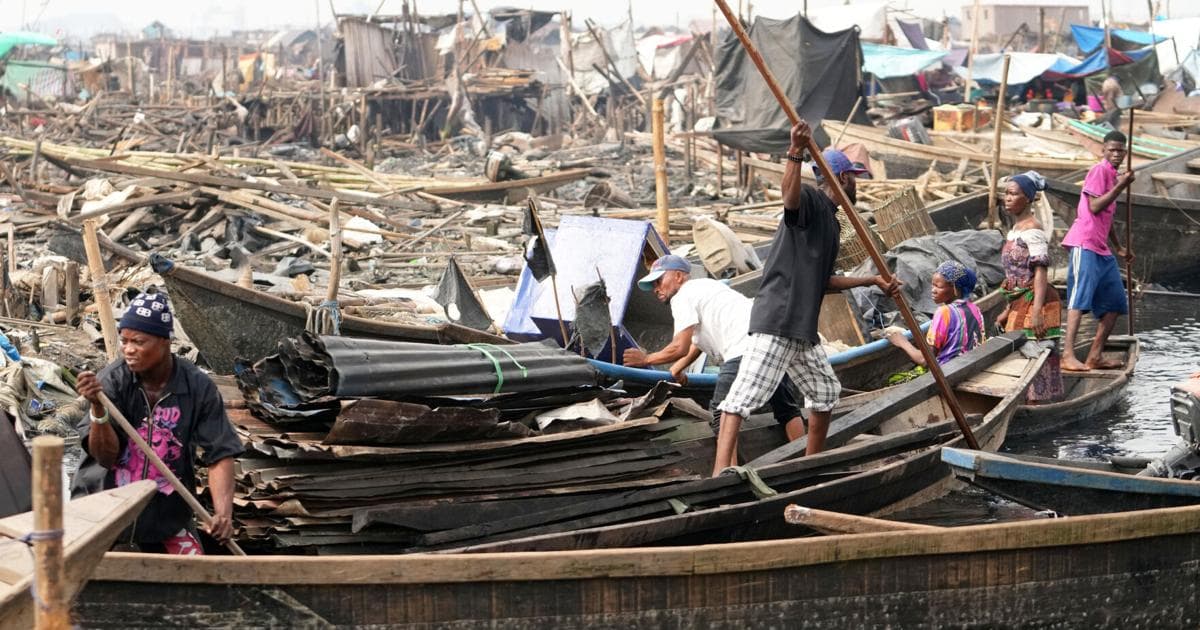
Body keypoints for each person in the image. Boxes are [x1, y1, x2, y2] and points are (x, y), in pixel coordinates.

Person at [711, 120, 898, 475]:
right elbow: (789, 198)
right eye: (854, 178)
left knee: (826, 391)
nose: (857, 184)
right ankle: (720, 473)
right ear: (842, 179)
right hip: (780, 319)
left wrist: (871, 279)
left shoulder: (831, 220)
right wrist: (795, 152)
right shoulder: (811, 200)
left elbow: (823, 281)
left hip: (802, 328)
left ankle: (812, 465)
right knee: (741, 399)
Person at [75, 291, 242, 554]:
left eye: (139, 341)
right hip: (103, 510)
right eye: (124, 341)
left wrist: (223, 514)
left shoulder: (198, 387)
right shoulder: (111, 382)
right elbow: (105, 457)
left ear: (165, 342)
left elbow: (220, 454)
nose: (128, 349)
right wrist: (98, 407)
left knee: (194, 582)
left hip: (166, 516)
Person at [623, 254, 808, 448]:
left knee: (722, 414)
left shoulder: (682, 296)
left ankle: (728, 472)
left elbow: (680, 347)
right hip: (773, 341)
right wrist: (677, 369)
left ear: (679, 276)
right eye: (653, 285)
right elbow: (697, 342)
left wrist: (646, 359)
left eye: (659, 281)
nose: (656, 289)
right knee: (786, 407)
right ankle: (807, 460)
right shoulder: (709, 287)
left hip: (744, 348)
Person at [1060, 130, 1135, 372]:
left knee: (1115, 303)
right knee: (1079, 299)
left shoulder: (1113, 176)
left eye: (1120, 151)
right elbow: (1094, 206)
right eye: (1111, 150)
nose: (1116, 154)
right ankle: (1068, 355)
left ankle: (1095, 356)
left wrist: (1119, 247)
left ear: (1125, 153)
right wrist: (1121, 186)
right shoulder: (1100, 171)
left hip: (1101, 248)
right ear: (1103, 151)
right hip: (1085, 243)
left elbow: (1107, 217)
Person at [998, 171, 1064, 404]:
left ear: (1027, 198)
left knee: (1036, 354)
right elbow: (1013, 273)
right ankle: (1022, 402)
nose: (1007, 198)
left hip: (1039, 301)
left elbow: (1040, 271)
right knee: (1019, 352)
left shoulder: (1033, 230)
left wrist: (1037, 312)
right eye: (1006, 193)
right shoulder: (1014, 230)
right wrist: (1007, 309)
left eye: (1013, 194)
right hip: (1020, 299)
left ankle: (1039, 405)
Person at [887, 260, 985, 368]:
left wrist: (902, 342)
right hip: (975, 364)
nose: (933, 290)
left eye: (938, 286)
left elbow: (925, 360)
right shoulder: (975, 309)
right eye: (932, 285)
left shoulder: (944, 312)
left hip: (952, 372)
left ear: (954, 288)